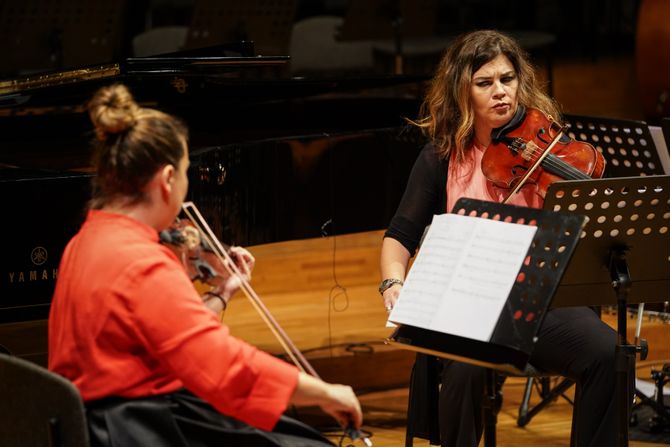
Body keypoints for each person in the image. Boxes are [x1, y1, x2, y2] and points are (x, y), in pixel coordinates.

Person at [48, 83, 362, 447]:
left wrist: (223, 291)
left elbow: (174, 338)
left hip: (100, 421)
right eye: (184, 173)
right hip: (136, 427)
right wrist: (326, 392)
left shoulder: (85, 240)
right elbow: (223, 365)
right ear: (167, 180)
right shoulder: (143, 261)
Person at [380, 30, 623, 447]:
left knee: (610, 353)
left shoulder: (548, 149)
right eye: (485, 83)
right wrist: (393, 283)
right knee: (467, 367)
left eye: (507, 80)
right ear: (462, 90)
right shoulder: (441, 157)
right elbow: (399, 236)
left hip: (536, 299)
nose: (500, 92)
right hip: (468, 302)